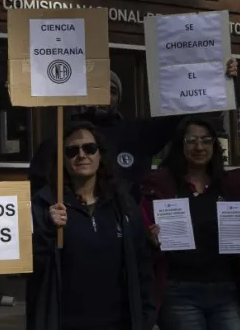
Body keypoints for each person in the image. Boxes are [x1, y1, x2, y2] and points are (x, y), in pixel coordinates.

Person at [28, 61, 239, 202]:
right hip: (80, 231)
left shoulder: (138, 133)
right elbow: (38, 188)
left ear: (118, 98)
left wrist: (217, 79)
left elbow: (181, 107)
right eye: (97, 88)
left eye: (112, 91)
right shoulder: (62, 138)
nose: (105, 96)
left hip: (131, 231)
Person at [29, 122, 156, 330]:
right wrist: (47, 229)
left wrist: (146, 315)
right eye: (71, 151)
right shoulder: (45, 205)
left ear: (100, 155)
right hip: (65, 322)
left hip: (118, 322)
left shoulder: (122, 205)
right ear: (61, 160)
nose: (81, 155)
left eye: (89, 148)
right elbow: (32, 266)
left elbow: (141, 264)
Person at [140, 116, 240, 330]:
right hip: (178, 292)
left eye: (206, 140)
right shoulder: (161, 186)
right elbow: (140, 234)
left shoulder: (227, 187)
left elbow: (239, 239)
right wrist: (150, 239)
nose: (199, 147)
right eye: (191, 140)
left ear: (214, 145)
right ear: (180, 144)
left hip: (225, 290)